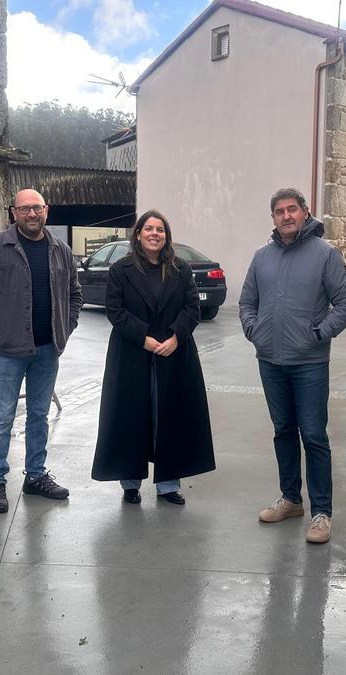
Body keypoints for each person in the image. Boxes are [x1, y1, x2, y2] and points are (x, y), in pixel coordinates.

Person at [239, 187, 346, 544]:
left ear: (305, 213)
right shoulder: (262, 257)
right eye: (279, 211)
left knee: (314, 435)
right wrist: (253, 331)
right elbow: (247, 301)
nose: (286, 216)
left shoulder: (325, 255)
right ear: (273, 218)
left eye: (293, 209)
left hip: (309, 362)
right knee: (283, 431)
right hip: (270, 360)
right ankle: (290, 499)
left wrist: (319, 333)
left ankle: (322, 512)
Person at [0, 188, 83, 513]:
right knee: (2, 419)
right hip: (8, 352)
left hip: (47, 350)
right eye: (25, 209)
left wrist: (65, 328)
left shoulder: (61, 250)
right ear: (13, 212)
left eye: (37, 208)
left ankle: (36, 476)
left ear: (47, 211)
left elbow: (75, 293)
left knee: (39, 416)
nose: (32, 214)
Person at [91, 210, 215, 505]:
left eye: (160, 229)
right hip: (132, 352)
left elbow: (192, 308)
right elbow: (115, 310)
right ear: (138, 234)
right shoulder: (121, 270)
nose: (154, 234)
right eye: (149, 229)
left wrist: (175, 337)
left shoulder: (180, 269)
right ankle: (130, 482)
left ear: (166, 236)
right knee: (131, 416)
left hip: (174, 353)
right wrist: (144, 337)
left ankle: (168, 484)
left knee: (170, 416)